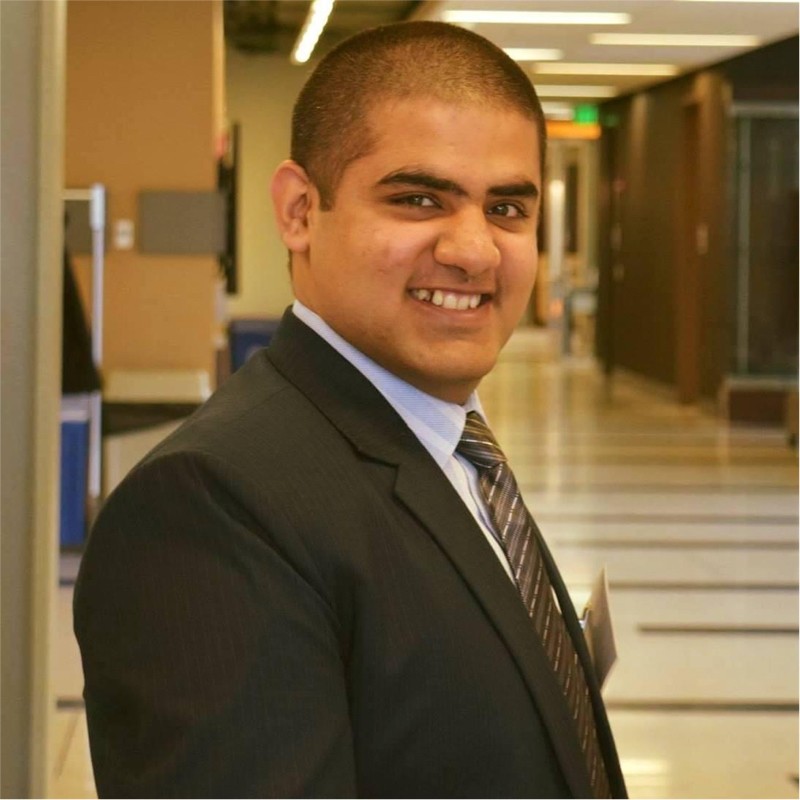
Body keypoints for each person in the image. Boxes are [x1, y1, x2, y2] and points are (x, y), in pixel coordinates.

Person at [74, 20, 627, 799]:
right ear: (300, 211)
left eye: (507, 210)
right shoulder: (212, 507)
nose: (473, 250)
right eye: (418, 198)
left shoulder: (454, 451)